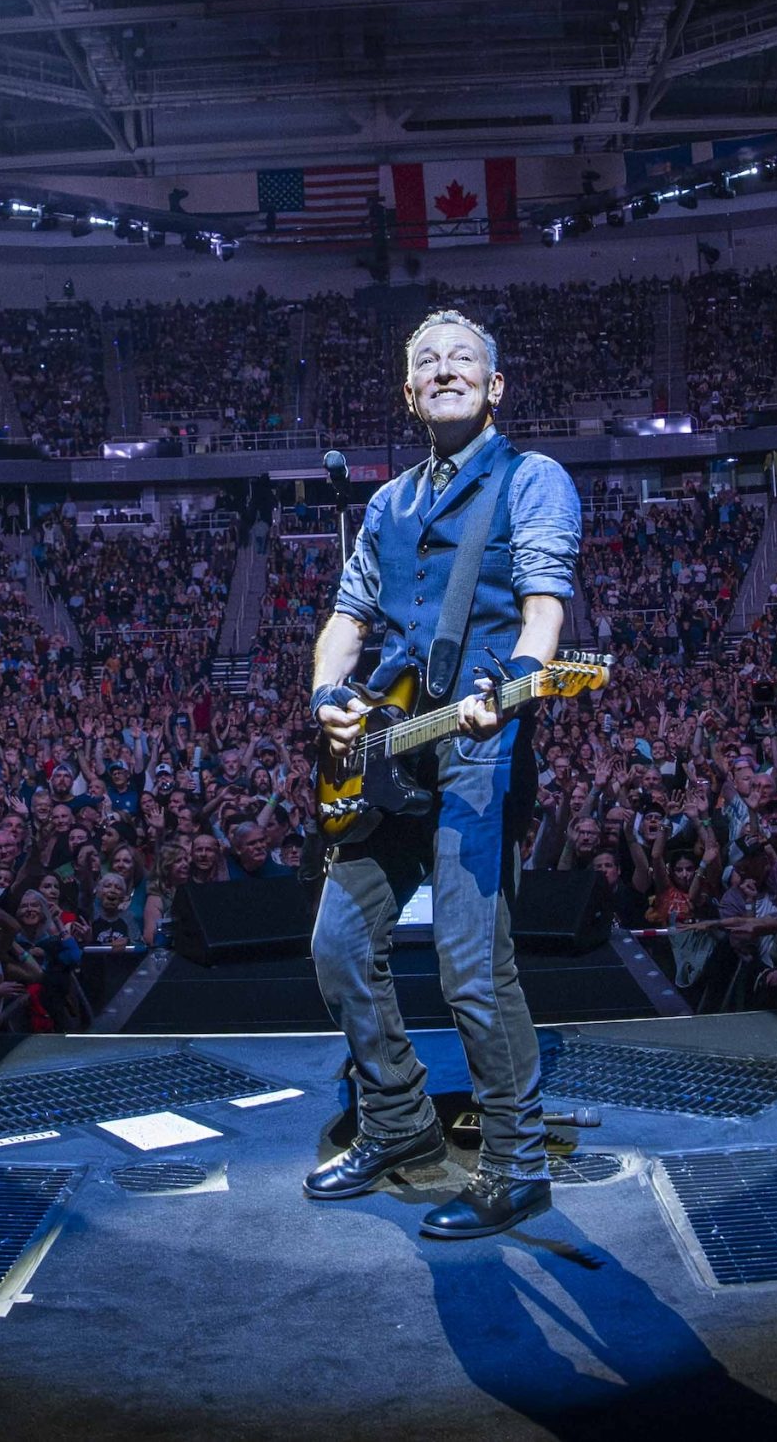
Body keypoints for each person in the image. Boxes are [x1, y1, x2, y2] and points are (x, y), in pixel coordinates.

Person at [305, 309, 583, 1240]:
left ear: (495, 386)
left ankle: (515, 1163)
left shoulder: (531, 481)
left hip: (480, 751)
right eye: (426, 361)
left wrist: (511, 683)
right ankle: (397, 1121)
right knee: (339, 943)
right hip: (392, 750)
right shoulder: (385, 505)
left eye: (464, 358)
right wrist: (327, 695)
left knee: (472, 971)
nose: (446, 368)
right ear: (410, 393)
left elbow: (544, 615)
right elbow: (348, 619)